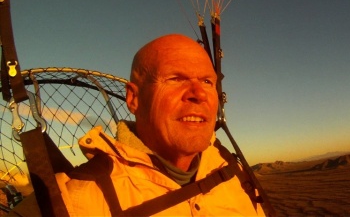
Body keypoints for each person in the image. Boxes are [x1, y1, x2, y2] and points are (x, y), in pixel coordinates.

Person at [10, 34, 265, 216]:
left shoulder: (234, 173)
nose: (198, 93)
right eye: (176, 78)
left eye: (208, 82)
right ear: (133, 98)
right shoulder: (73, 201)